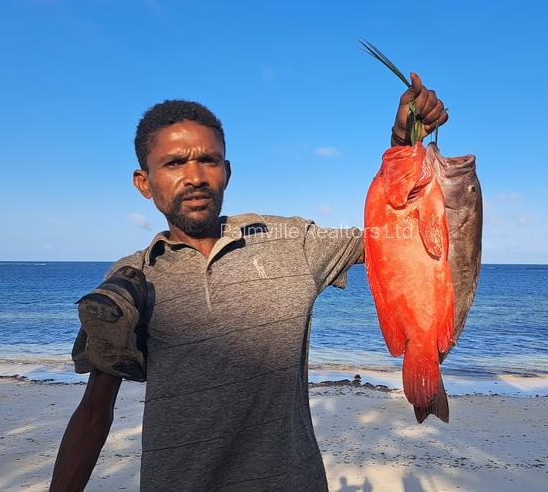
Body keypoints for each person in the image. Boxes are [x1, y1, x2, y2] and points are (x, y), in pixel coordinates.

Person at [50, 73, 448, 492]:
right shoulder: (133, 278)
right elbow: (95, 411)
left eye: (208, 160)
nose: (195, 176)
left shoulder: (292, 242)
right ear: (144, 183)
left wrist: (405, 139)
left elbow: (398, 232)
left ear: (227, 171)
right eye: (173, 163)